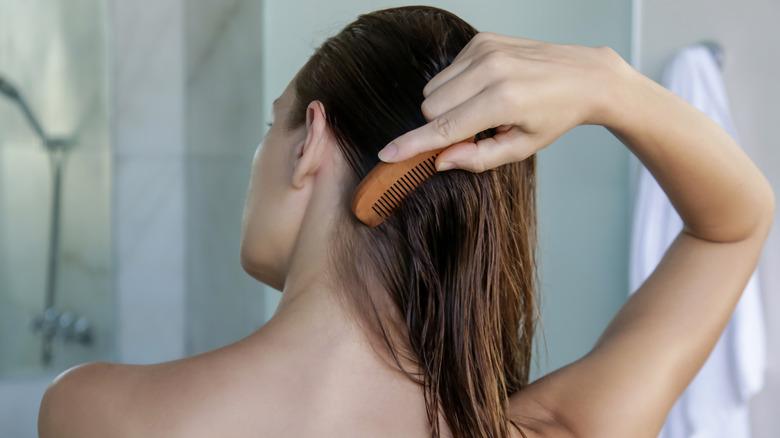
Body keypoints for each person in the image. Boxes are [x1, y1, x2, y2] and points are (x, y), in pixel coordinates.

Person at [38, 6, 774, 438]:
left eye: (274, 125)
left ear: (310, 141)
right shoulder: (555, 431)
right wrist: (612, 88)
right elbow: (737, 223)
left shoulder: (93, 412)